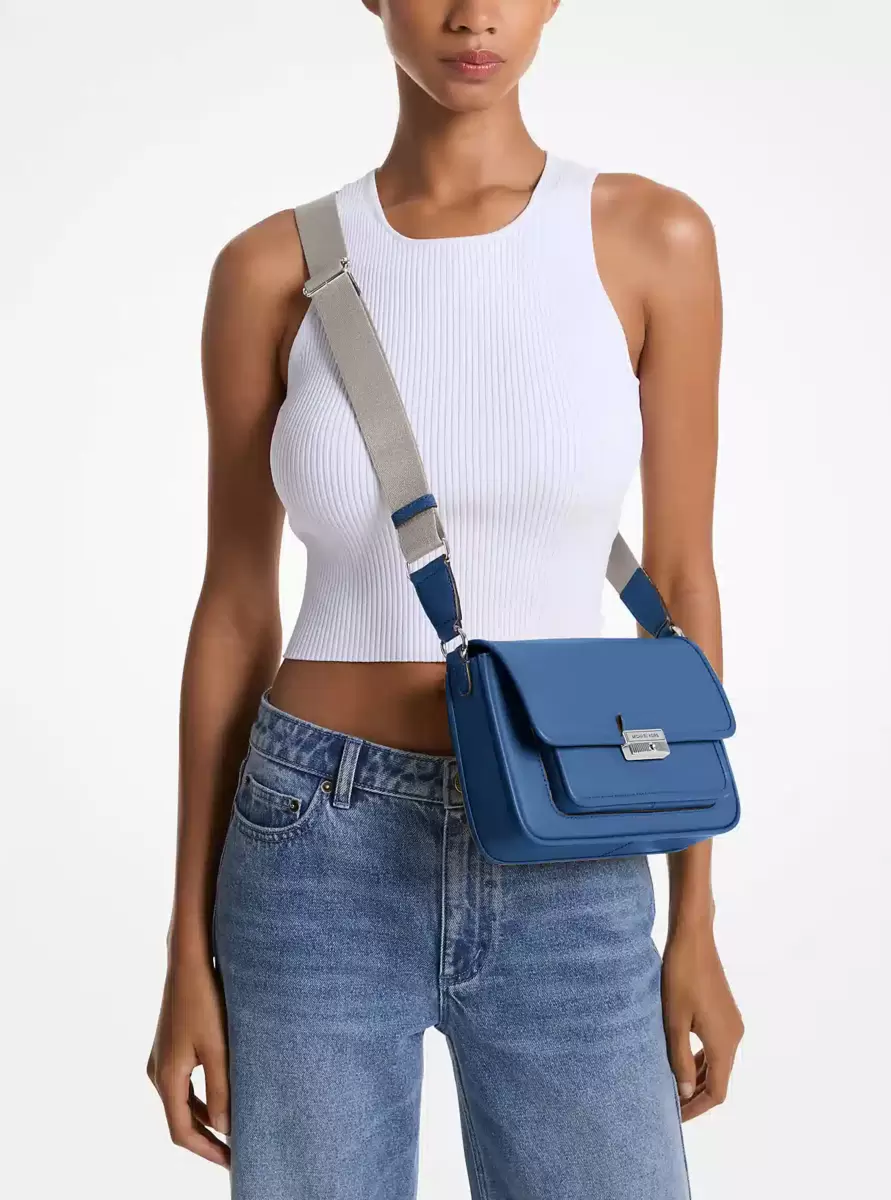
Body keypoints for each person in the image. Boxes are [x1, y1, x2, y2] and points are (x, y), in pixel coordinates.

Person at [146, 2, 744, 1196]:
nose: (474, 14)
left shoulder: (651, 240)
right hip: (312, 838)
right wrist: (184, 949)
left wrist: (696, 921)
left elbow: (678, 590)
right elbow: (234, 606)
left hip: (572, 838)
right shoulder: (269, 269)